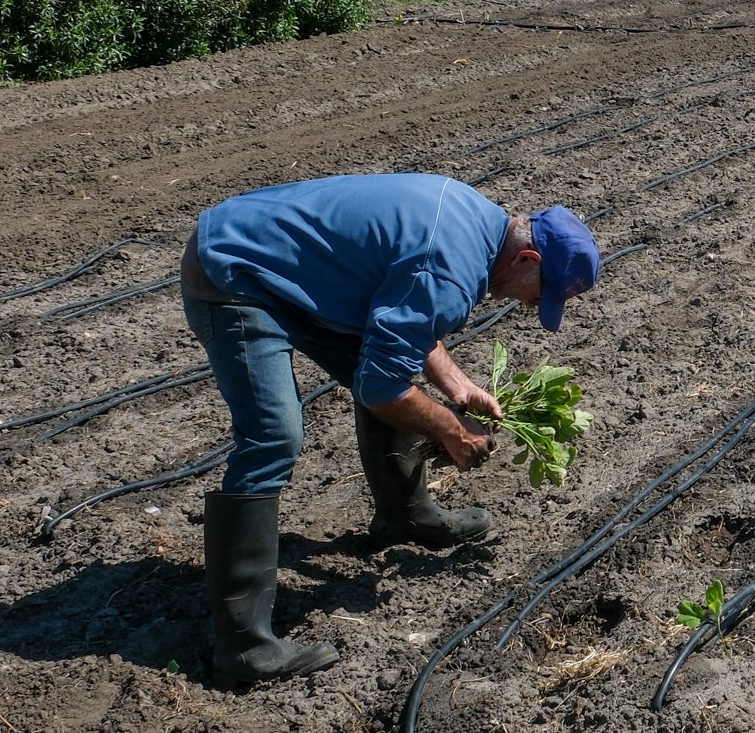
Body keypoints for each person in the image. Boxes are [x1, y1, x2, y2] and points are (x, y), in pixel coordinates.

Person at [177, 174, 600, 688]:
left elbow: (401, 313)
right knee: (273, 434)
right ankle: (243, 647)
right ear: (528, 260)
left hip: (287, 264)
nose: (532, 306)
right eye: (541, 294)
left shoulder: (478, 224)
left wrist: (458, 385)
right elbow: (383, 388)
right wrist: (452, 428)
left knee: (374, 360)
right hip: (234, 271)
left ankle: (403, 515)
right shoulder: (452, 271)